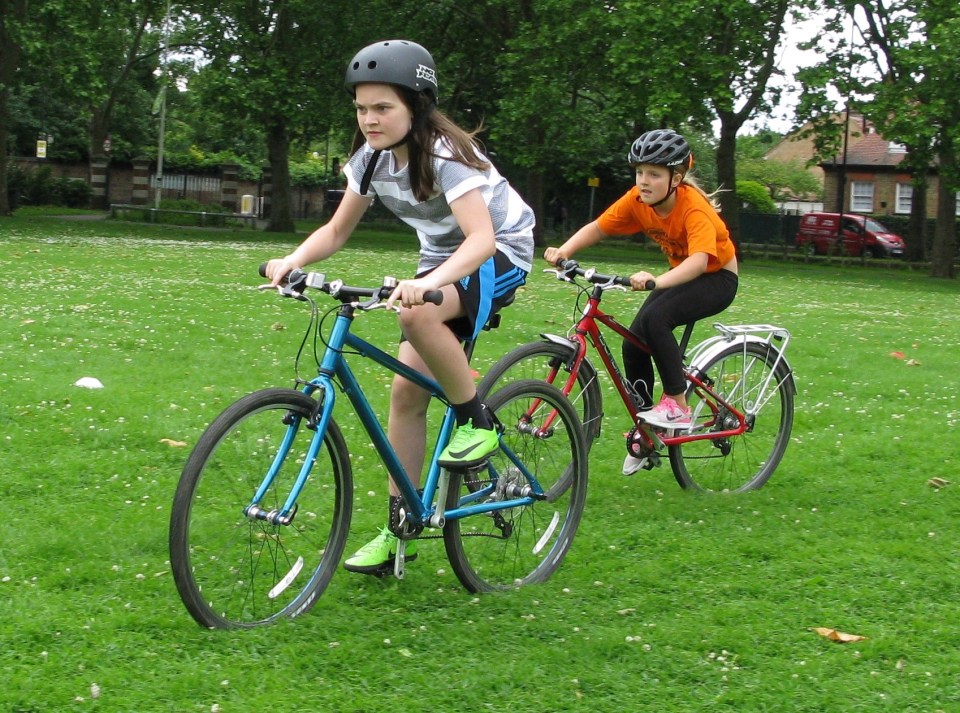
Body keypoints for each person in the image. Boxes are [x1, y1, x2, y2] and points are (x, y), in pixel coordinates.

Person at [264, 40, 535, 574]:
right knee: (406, 393)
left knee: (416, 311)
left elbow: (482, 240)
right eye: (361, 108)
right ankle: (400, 531)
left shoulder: (446, 156)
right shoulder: (370, 161)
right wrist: (292, 260)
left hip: (500, 250)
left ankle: (477, 422)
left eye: (383, 108)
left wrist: (427, 284)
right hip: (442, 258)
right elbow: (336, 230)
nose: (369, 119)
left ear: (417, 105)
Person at [543, 129, 738, 475]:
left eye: (654, 174)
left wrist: (656, 281)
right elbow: (599, 227)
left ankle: (677, 405)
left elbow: (698, 262)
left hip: (717, 277)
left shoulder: (693, 208)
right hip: (682, 275)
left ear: (676, 178)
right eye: (639, 172)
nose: (644, 181)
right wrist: (564, 251)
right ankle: (647, 427)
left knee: (656, 319)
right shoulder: (637, 200)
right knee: (633, 343)